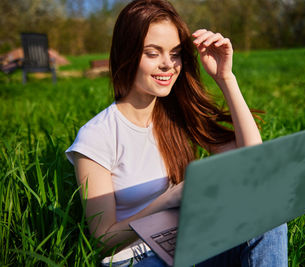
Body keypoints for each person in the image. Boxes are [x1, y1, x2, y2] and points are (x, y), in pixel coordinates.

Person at [66, 0, 287, 266]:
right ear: (127, 53)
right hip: (137, 258)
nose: (168, 65)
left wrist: (226, 78)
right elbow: (102, 237)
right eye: (152, 53)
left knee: (268, 216)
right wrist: (168, 199)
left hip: (191, 240)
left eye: (175, 53)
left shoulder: (175, 114)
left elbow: (253, 161)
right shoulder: (97, 136)